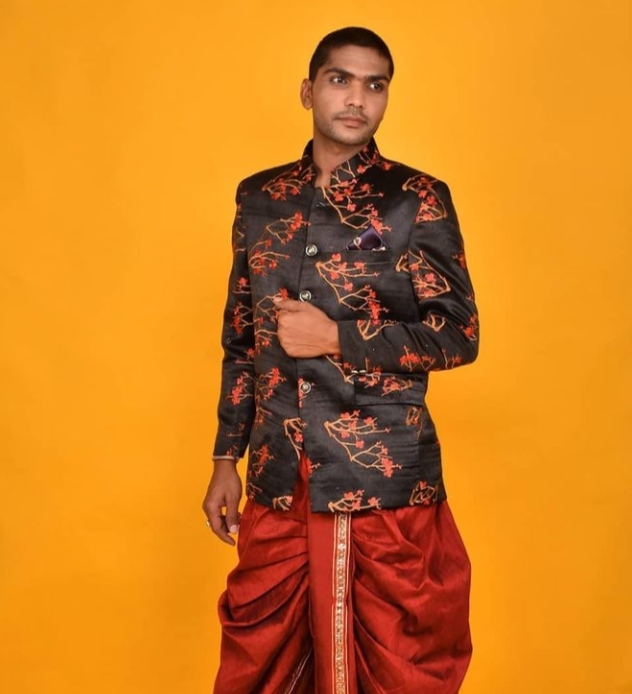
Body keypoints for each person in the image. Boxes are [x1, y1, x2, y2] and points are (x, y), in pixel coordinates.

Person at [202, 26, 479, 694]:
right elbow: (242, 339)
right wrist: (224, 459)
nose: (357, 98)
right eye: (340, 80)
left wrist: (338, 337)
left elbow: (458, 334)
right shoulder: (260, 199)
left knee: (398, 667)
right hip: (278, 474)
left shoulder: (416, 199)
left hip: (381, 482)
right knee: (260, 663)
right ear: (308, 91)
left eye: (374, 85)